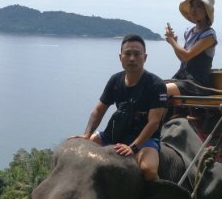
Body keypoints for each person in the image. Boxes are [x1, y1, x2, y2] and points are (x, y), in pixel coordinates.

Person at [72, 34, 168, 181]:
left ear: (145, 57)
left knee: (148, 169)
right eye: (127, 53)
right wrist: (87, 134)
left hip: (145, 139)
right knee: (81, 154)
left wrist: (133, 147)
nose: (132, 58)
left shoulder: (156, 85)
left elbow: (154, 122)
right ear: (120, 57)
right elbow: (99, 110)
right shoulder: (115, 80)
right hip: (116, 133)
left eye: (137, 54)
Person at [164, 0, 217, 96]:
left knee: (162, 90)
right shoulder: (189, 32)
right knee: (153, 87)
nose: (193, 9)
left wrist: (173, 41)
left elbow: (186, 56)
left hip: (197, 84)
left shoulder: (209, 35)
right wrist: (173, 43)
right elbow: (183, 59)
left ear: (206, 11)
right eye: (192, 6)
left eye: (199, 6)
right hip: (182, 79)